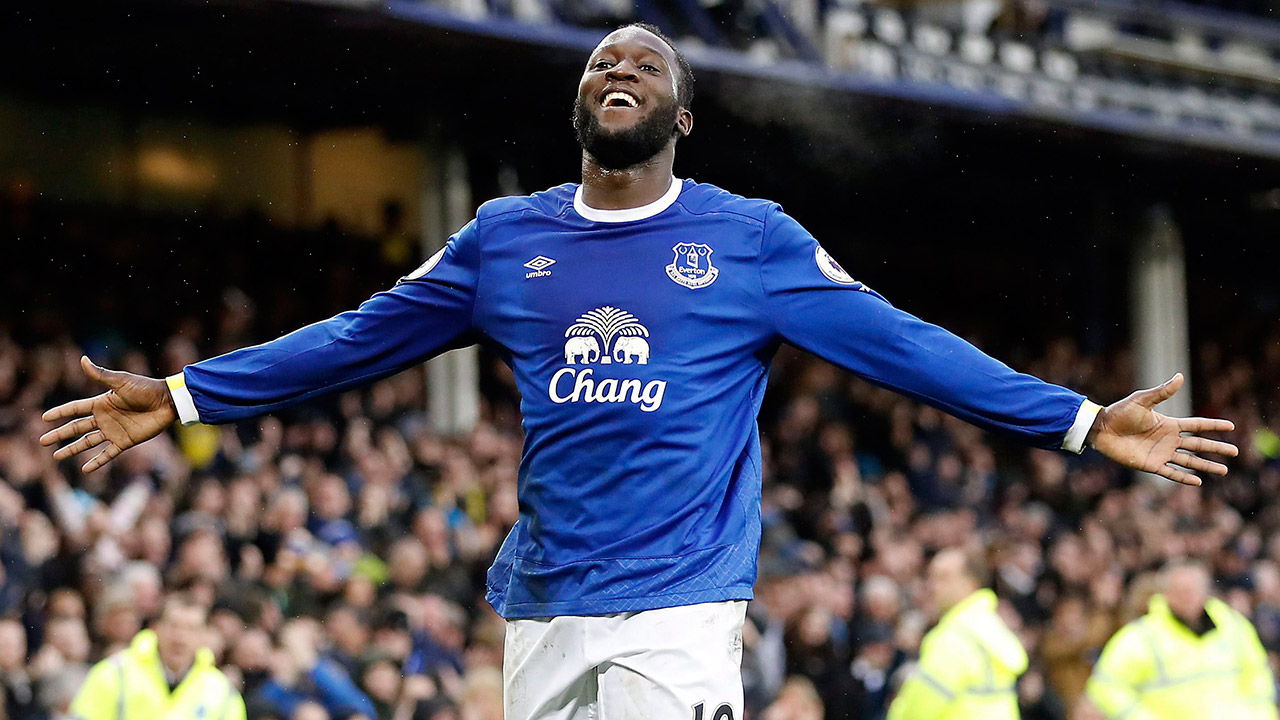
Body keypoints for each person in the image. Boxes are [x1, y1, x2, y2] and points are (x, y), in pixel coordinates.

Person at [41, 22, 1239, 720]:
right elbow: (357, 337)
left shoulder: (749, 240)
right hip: (544, 599)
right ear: (580, 103)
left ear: (678, 119)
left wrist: (1078, 422)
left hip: (681, 601)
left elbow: (901, 343)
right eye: (603, 57)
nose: (620, 63)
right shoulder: (504, 242)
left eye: (649, 64)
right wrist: (191, 395)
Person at [1085, 560, 1277, 720]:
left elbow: (1258, 675)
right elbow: (1106, 687)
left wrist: (1259, 715)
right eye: (1180, 590)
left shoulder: (1234, 626)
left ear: (1205, 591)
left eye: (1192, 589)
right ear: (1165, 593)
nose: (1188, 597)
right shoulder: (1141, 637)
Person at [887, 548, 1028, 720]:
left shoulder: (955, 637)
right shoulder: (990, 626)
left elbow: (917, 712)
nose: (932, 585)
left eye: (943, 577)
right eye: (931, 577)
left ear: (971, 583)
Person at [68, 592, 246, 720]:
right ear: (156, 628)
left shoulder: (222, 692)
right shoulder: (114, 674)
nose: (180, 638)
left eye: (191, 629)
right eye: (173, 626)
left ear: (203, 635)